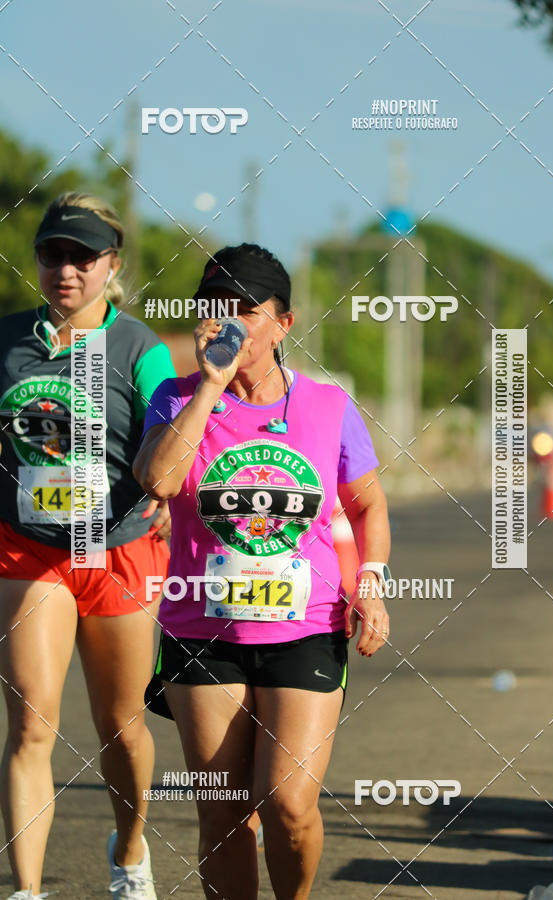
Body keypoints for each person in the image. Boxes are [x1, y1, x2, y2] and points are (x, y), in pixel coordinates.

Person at [134, 243, 391, 900]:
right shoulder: (175, 397)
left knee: (288, 805)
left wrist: (373, 584)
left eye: (245, 309)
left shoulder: (329, 406)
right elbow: (158, 479)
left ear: (284, 322)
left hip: (304, 629)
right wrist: (212, 386)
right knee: (222, 814)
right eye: (214, 308)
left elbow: (365, 504)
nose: (229, 322)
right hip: (203, 631)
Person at [0, 192, 177, 900]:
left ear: (111, 265)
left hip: (119, 547)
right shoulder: (6, 339)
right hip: (29, 549)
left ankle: (130, 848)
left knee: (122, 729)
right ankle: (27, 891)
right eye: (52, 255)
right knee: (31, 724)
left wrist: (166, 489)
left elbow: (170, 435)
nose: (65, 270)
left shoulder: (140, 347)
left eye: (82, 257)